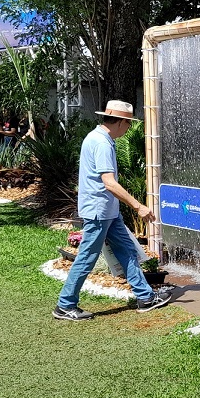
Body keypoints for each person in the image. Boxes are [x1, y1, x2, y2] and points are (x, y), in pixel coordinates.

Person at [54, 100, 173, 321]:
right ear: (120, 122)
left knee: (127, 252)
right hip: (99, 212)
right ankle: (65, 305)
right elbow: (109, 182)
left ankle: (145, 297)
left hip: (109, 211)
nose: (129, 129)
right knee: (87, 258)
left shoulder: (99, 138)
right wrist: (138, 206)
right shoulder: (101, 143)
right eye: (128, 124)